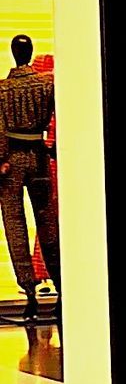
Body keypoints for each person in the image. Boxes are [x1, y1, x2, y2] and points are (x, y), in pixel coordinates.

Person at [0, 31, 59, 319]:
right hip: (39, 156)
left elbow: (0, 129)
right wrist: (53, 148)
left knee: (16, 227)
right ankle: (60, 284)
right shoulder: (47, 84)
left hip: (11, 161)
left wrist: (1, 159)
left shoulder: (3, 89)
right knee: (47, 225)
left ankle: (30, 293)